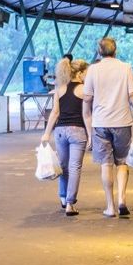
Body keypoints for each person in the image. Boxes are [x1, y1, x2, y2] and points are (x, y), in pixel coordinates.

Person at [82, 37, 133, 218]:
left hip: (100, 124)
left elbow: (87, 100)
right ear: (116, 50)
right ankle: (122, 200)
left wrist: (88, 129)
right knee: (122, 162)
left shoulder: (93, 70)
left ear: (99, 52)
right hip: (122, 123)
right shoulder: (125, 67)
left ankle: (110, 207)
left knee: (106, 164)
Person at [41, 58, 90, 216]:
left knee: (63, 166)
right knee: (75, 167)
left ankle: (63, 198)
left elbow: (55, 113)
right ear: (80, 73)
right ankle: (70, 203)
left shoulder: (59, 88)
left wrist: (47, 133)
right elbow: (87, 115)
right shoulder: (84, 90)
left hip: (60, 131)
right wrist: (91, 135)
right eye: (86, 73)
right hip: (78, 131)